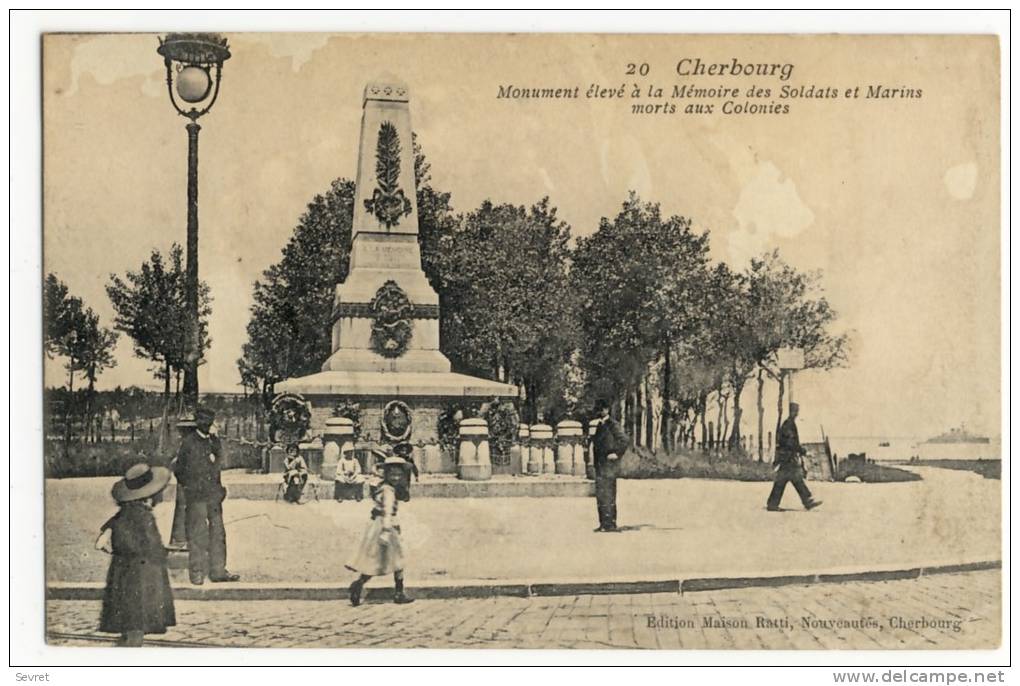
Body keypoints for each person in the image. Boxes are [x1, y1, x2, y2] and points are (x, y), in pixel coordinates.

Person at [97, 463, 176, 647]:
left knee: (128, 623)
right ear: (151, 494)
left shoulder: (124, 513)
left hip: (123, 575)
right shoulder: (144, 516)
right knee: (137, 623)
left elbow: (112, 537)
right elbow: (149, 545)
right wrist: (163, 552)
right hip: (142, 578)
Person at [173, 406, 240, 585]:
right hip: (196, 497)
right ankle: (196, 572)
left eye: (208, 420)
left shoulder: (214, 442)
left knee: (218, 533)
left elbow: (220, 464)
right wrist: (190, 488)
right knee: (197, 533)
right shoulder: (188, 442)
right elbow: (179, 470)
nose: (205, 424)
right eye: (202, 420)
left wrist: (219, 489)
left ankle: (218, 571)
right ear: (197, 421)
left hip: (214, 496)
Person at [346, 456, 414, 607]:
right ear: (387, 474)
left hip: (378, 525)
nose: (396, 477)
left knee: (377, 561)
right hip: (385, 526)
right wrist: (387, 530)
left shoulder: (382, 487)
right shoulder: (388, 491)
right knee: (398, 561)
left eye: (398, 474)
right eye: (392, 474)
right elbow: (388, 511)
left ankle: (358, 584)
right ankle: (398, 593)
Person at [766, 402, 823, 512]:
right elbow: (790, 442)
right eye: (795, 411)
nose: (797, 413)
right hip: (787, 457)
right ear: (792, 411)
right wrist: (802, 451)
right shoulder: (789, 424)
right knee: (792, 479)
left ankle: (774, 503)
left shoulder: (789, 423)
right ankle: (806, 501)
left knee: (789, 479)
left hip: (786, 457)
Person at [591, 400, 629, 533]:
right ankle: (603, 523)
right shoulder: (600, 425)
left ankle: (610, 524)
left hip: (609, 466)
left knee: (608, 494)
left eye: (601, 409)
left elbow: (624, 440)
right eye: (598, 409)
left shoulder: (613, 424)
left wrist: (616, 453)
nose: (599, 412)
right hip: (601, 466)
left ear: (607, 410)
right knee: (601, 495)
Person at [168, 417, 196, 549]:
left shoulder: (186, 446)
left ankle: (180, 539)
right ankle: (182, 539)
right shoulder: (190, 445)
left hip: (186, 485)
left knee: (183, 511)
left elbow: (176, 465)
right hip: (189, 485)